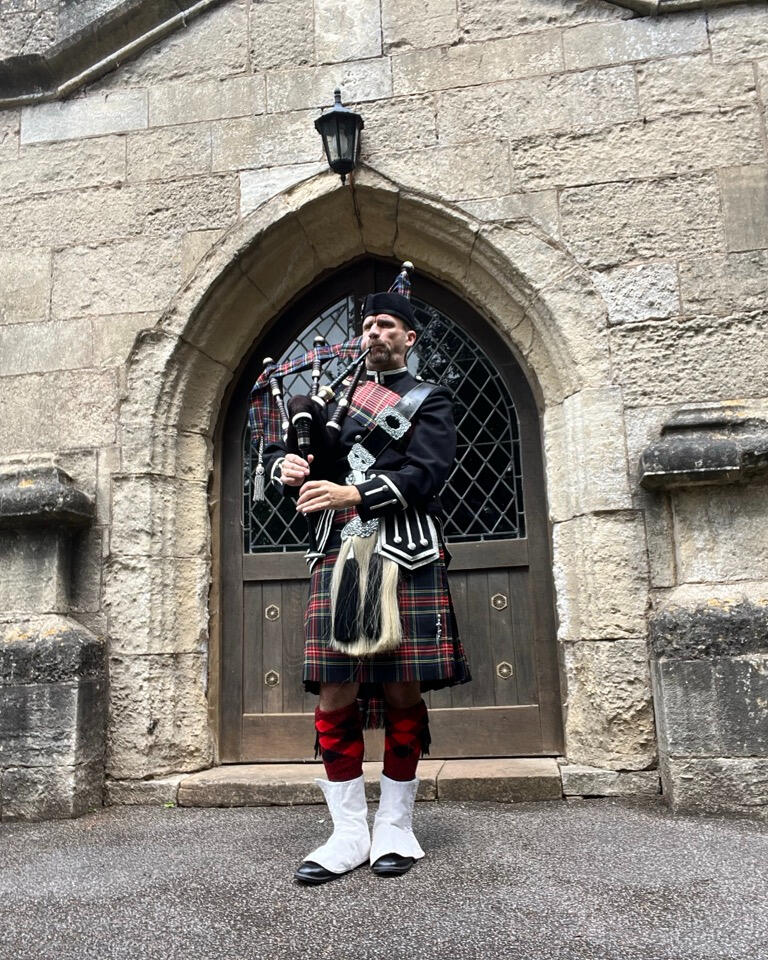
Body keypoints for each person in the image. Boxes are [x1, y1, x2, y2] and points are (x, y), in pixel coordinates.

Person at [266, 287, 470, 885]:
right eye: (368, 324)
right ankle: (349, 832)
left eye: (387, 325)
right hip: (338, 551)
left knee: (403, 686)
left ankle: (397, 826)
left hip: (404, 551)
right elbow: (299, 456)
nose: (375, 333)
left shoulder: (430, 399)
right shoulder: (336, 402)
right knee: (335, 690)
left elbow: (428, 472)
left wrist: (354, 492)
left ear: (409, 337)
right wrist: (288, 465)